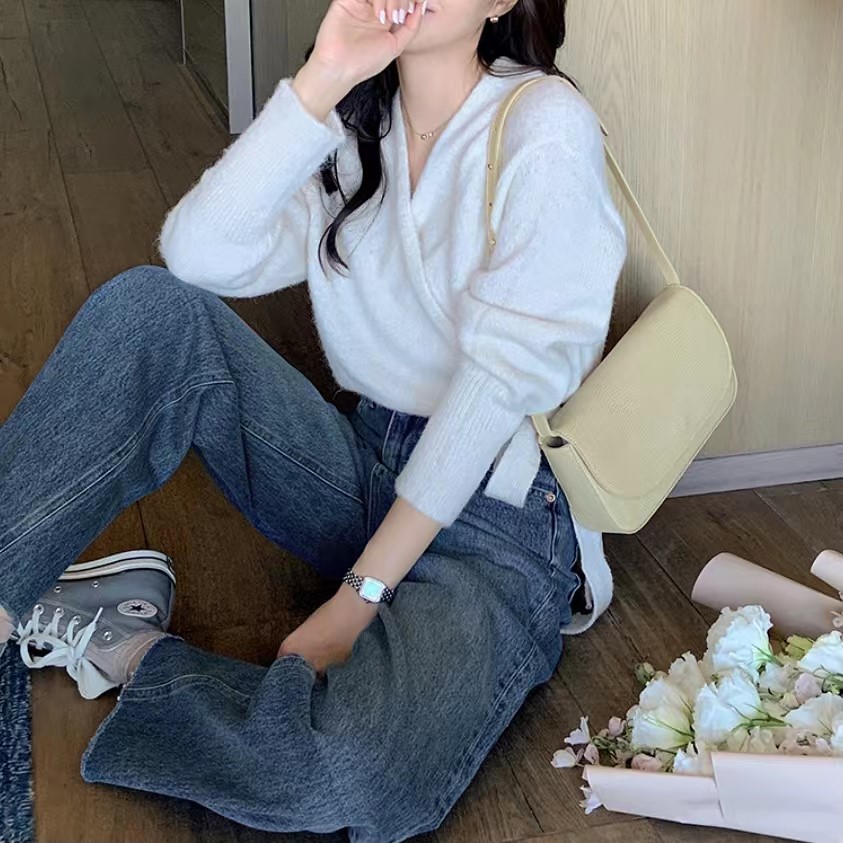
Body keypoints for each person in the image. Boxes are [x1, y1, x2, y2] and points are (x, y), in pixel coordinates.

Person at [0, 0, 627, 839]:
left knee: (354, 770)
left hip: (499, 517)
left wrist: (359, 596)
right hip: (370, 464)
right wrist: (322, 78)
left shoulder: (544, 125)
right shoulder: (358, 124)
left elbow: (493, 393)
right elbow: (196, 255)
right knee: (152, 310)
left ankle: (129, 649)